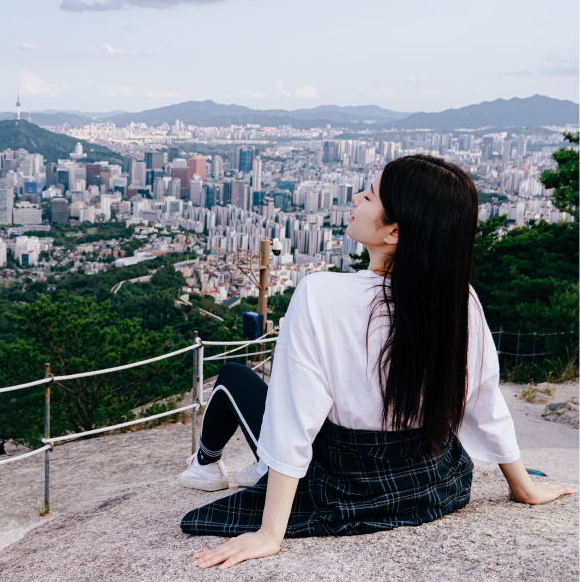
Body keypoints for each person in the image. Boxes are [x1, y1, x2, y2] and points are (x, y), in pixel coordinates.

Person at [179, 154, 575, 569]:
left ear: (395, 231)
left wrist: (269, 533)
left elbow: (294, 416)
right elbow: (483, 401)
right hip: (434, 483)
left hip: (342, 485)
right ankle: (240, 466)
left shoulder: (319, 294)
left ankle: (205, 467)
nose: (356, 197)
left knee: (232, 376)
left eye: (368, 196)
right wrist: (523, 486)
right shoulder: (461, 299)